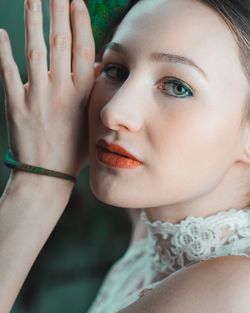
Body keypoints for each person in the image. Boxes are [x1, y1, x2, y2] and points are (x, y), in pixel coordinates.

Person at [0, 0, 250, 312]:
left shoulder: (234, 290)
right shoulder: (154, 232)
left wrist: (38, 183)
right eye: (116, 70)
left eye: (177, 87)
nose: (112, 111)